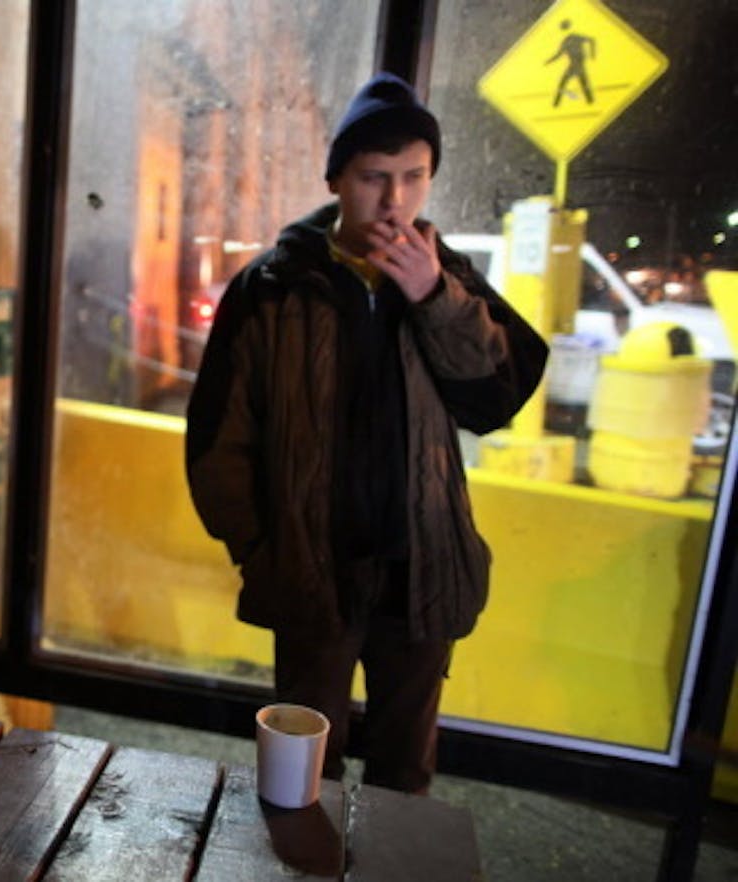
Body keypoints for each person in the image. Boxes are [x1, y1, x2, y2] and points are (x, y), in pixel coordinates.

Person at [185, 73, 548, 794]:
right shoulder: (274, 287)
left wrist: (432, 297)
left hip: (421, 565)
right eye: (373, 178)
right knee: (298, 770)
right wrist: (260, 546)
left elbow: (495, 400)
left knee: (404, 771)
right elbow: (218, 437)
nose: (395, 201)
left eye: (414, 178)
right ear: (337, 178)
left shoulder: (447, 279)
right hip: (312, 565)